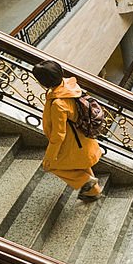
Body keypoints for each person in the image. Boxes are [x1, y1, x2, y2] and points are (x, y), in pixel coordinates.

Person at [31, 60, 103, 201]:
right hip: (82, 140)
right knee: (80, 166)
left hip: (73, 144)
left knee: (53, 166)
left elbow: (58, 135)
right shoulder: (68, 85)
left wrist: (49, 157)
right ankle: (93, 191)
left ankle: (87, 183)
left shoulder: (59, 103)